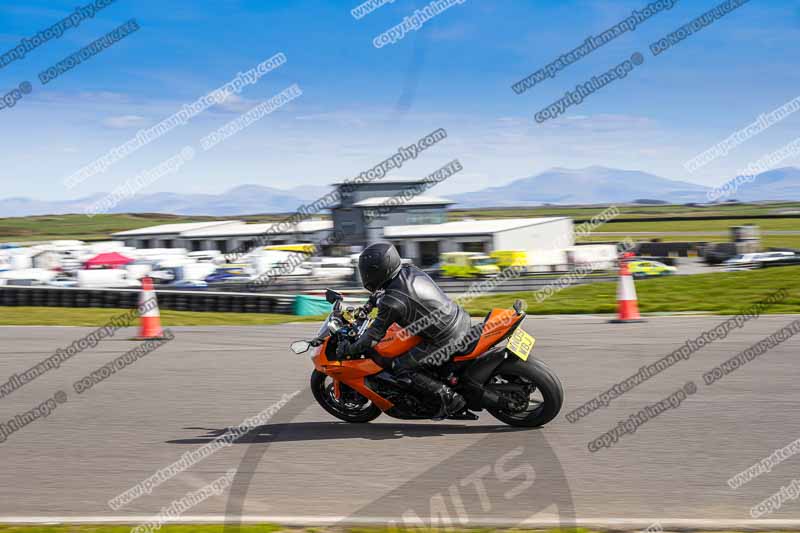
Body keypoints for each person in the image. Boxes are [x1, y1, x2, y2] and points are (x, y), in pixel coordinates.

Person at [336, 242, 472, 419]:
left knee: (402, 368)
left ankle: (450, 398)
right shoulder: (409, 271)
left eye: (367, 271)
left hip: (445, 338)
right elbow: (389, 295)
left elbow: (373, 337)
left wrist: (349, 349)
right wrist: (369, 305)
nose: (365, 275)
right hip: (459, 318)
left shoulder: (392, 302)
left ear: (377, 270)